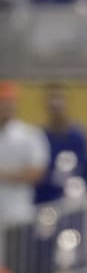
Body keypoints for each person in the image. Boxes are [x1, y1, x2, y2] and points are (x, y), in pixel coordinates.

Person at [0, 81, 49, 226]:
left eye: (8, 102)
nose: (4, 106)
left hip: (17, 213)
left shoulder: (30, 135)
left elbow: (36, 173)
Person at [35, 82, 87, 204]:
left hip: (72, 198)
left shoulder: (78, 136)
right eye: (52, 98)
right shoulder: (38, 136)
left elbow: (84, 166)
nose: (56, 103)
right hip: (44, 198)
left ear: (67, 102)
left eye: (60, 98)